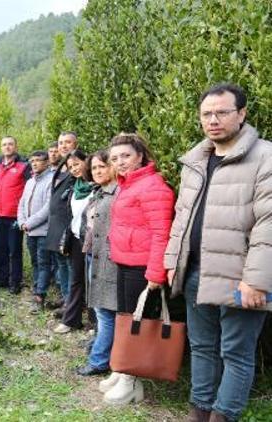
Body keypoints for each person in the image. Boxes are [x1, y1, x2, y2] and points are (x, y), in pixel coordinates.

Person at [164, 83, 272, 422]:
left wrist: (255, 281)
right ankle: (199, 413)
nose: (214, 120)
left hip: (241, 278)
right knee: (202, 349)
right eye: (207, 114)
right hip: (197, 273)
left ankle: (223, 417)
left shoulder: (266, 156)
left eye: (222, 112)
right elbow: (182, 216)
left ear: (241, 114)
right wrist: (172, 262)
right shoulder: (196, 160)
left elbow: (268, 223)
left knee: (236, 354)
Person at [105, 132, 175, 405]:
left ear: (141, 156)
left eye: (126, 156)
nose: (120, 162)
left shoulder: (153, 186)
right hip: (125, 261)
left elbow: (162, 233)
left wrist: (156, 273)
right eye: (115, 158)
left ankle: (131, 381)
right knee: (126, 318)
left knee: (139, 323)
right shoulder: (127, 184)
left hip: (143, 266)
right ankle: (122, 369)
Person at [75, 150, 119, 378]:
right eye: (94, 168)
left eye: (102, 166)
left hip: (109, 259)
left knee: (105, 311)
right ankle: (100, 353)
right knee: (101, 310)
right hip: (93, 253)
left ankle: (99, 361)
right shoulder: (98, 192)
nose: (98, 171)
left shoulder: (118, 194)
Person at [54, 149, 93, 334]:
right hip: (77, 239)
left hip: (94, 242)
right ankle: (71, 320)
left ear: (86, 161)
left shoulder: (98, 186)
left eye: (77, 164)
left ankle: (94, 322)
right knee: (76, 280)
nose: (74, 169)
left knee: (94, 282)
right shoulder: (75, 187)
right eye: (70, 167)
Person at [0, 136, 30, 294]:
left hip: (14, 216)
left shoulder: (24, 166)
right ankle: (3, 278)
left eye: (10, 144)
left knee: (14, 250)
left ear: (15, 146)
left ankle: (15, 281)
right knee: (0, 249)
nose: (7, 147)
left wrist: (24, 214)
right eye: (4, 144)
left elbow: (28, 190)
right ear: (1, 147)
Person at [45, 131, 80, 312]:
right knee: (61, 263)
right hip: (55, 223)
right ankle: (65, 297)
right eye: (60, 143)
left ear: (76, 144)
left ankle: (73, 303)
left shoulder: (78, 166)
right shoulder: (60, 166)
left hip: (69, 224)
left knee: (70, 265)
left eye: (67, 142)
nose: (63, 146)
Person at [17, 150, 53, 312]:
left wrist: (29, 223)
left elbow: (48, 208)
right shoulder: (30, 181)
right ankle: (37, 287)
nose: (35, 163)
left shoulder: (51, 180)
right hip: (29, 230)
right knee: (34, 262)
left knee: (44, 263)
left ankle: (40, 295)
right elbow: (22, 202)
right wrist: (21, 221)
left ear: (46, 162)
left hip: (43, 231)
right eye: (32, 161)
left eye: (38, 160)